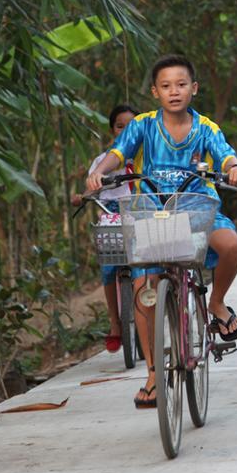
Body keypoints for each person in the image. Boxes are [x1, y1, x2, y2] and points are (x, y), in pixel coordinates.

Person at [86, 54, 237, 408]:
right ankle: (153, 374)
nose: (174, 91)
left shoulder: (205, 126)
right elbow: (116, 152)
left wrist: (234, 168)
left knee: (232, 245)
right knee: (145, 290)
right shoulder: (142, 125)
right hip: (152, 213)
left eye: (181, 84)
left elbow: (225, 154)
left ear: (193, 88)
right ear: (155, 92)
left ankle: (217, 302)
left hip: (197, 209)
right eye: (166, 86)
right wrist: (100, 171)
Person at [81, 104, 140, 353]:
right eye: (119, 126)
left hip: (139, 211)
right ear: (112, 131)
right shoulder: (102, 161)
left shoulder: (143, 156)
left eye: (131, 126)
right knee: (108, 267)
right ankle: (114, 322)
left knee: (153, 264)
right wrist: (83, 196)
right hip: (112, 217)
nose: (125, 130)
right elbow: (91, 187)